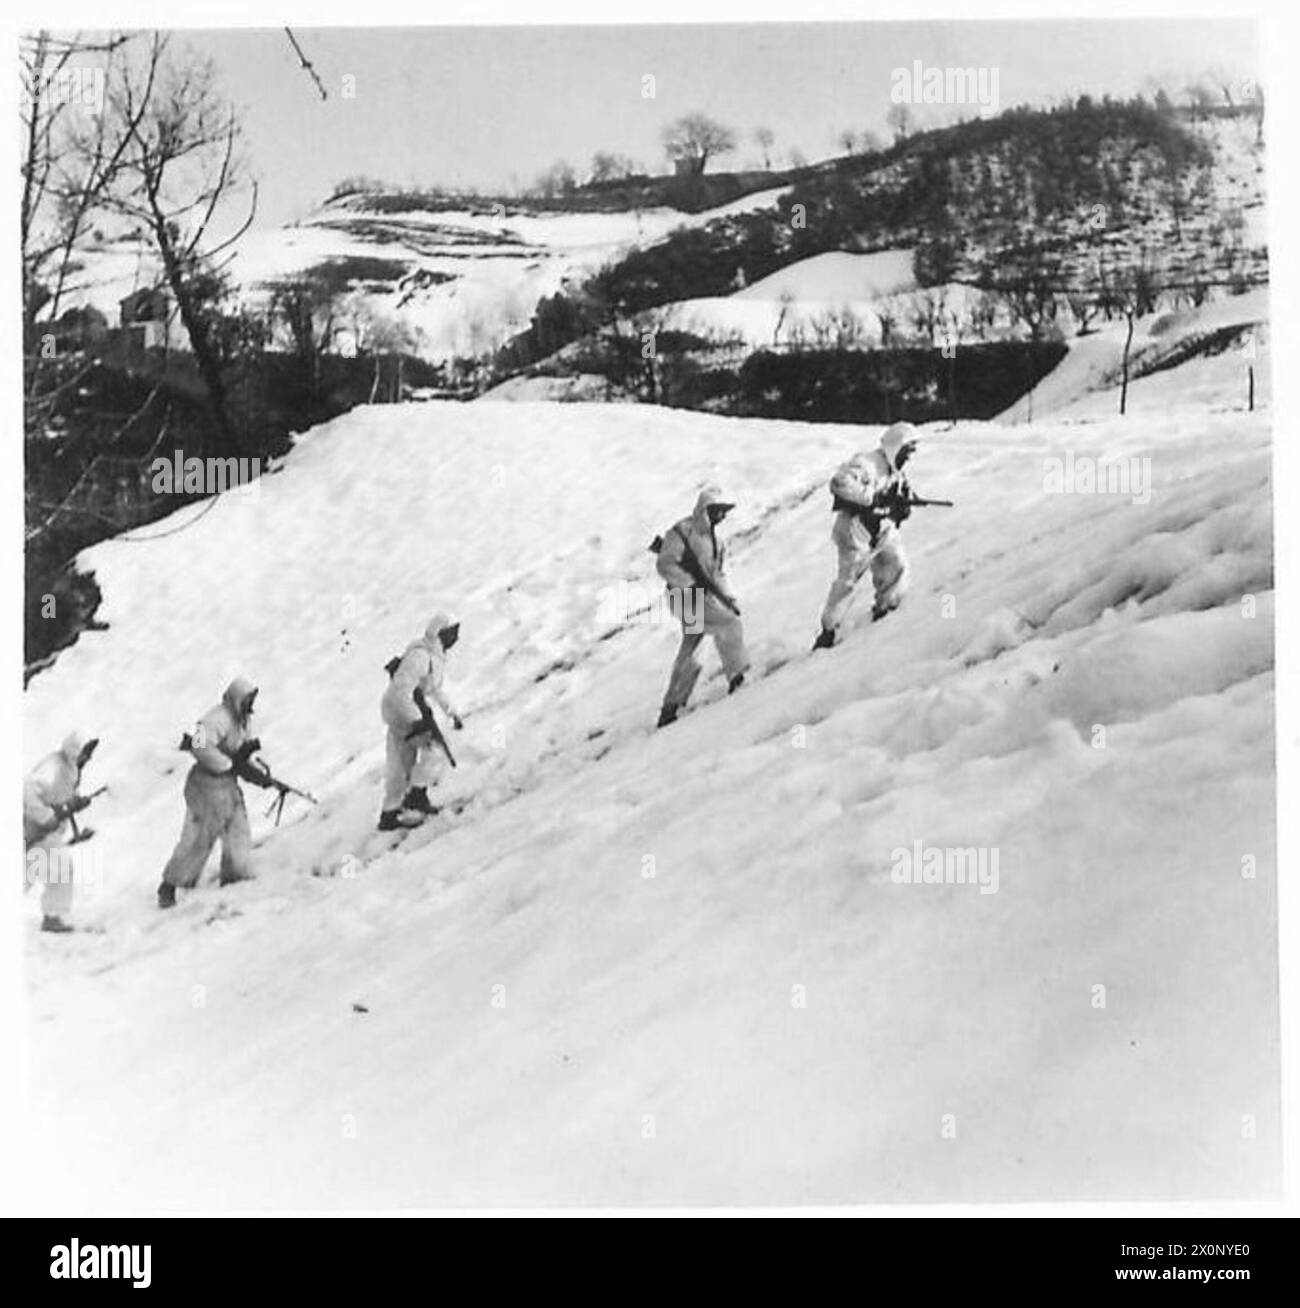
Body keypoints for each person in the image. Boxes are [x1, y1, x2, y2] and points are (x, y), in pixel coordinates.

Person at [157, 676, 272, 908]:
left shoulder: (242, 722)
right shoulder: (212, 720)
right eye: (248, 699)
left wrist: (259, 774)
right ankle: (170, 885)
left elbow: (242, 752)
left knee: (238, 831)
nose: (250, 705)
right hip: (205, 785)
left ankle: (235, 877)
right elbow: (199, 745)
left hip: (227, 785)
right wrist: (226, 764)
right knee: (198, 839)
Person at [813, 422, 918, 650]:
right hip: (854, 527)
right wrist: (870, 498)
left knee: (894, 561)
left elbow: (902, 495)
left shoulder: (895, 471)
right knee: (849, 582)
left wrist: (904, 505)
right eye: (906, 451)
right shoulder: (868, 463)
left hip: (879, 526)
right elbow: (839, 483)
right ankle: (829, 631)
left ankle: (886, 607)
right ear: (895, 447)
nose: (908, 457)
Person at [654, 484, 750, 727]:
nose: (722, 515)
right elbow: (665, 565)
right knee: (729, 624)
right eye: (718, 510)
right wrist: (689, 584)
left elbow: (717, 575)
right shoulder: (681, 532)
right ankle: (738, 676)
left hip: (696, 597)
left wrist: (728, 598)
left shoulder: (717, 542)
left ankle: (671, 705)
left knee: (693, 647)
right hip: (684, 597)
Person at [379, 612, 464, 830]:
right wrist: (417, 721)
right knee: (429, 751)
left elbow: (433, 688)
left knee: (404, 761)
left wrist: (451, 712)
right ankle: (406, 803)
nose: (455, 638)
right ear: (441, 633)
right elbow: (401, 691)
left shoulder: (434, 656)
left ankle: (401, 806)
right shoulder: (420, 657)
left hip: (406, 710)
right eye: (452, 632)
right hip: (400, 710)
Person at [23, 732, 99, 933]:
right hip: (34, 827)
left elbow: (61, 795)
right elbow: (27, 791)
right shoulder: (52, 768)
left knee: (41, 871)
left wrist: (75, 802)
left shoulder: (70, 768)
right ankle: (52, 917)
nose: (87, 758)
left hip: (47, 833)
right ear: (74, 752)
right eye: (85, 753)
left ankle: (52, 917)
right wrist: (46, 817)